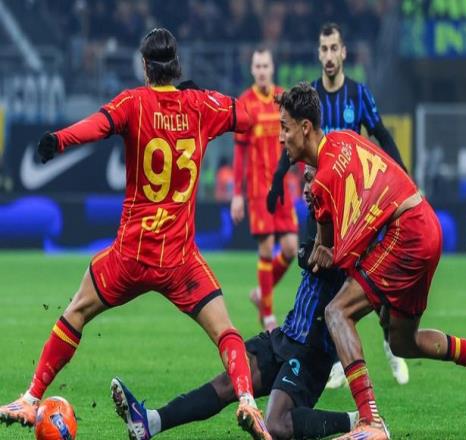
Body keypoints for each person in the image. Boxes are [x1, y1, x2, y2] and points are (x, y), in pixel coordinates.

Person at [0, 28, 271, 440]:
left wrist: (58, 140)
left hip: (131, 256)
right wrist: (222, 101)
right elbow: (249, 117)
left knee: (76, 312)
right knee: (226, 332)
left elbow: (96, 126)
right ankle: (248, 399)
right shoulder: (202, 105)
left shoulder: (134, 103)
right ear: (176, 65)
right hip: (180, 260)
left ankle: (31, 397)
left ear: (145, 67)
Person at [277, 82, 466, 439]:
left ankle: (370, 421)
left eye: (284, 127)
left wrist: (322, 240)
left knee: (338, 313)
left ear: (304, 128)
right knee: (402, 342)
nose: (280, 137)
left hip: (406, 233)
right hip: (424, 221)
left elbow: (338, 256)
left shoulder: (324, 179)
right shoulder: (342, 139)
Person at [110, 164, 359, 440]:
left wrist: (318, 255)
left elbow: (319, 261)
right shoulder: (318, 215)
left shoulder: (345, 221)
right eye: (305, 180)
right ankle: (151, 422)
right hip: (287, 335)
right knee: (229, 382)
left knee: (277, 425)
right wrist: (308, 253)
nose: (305, 189)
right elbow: (308, 256)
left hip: (313, 350)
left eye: (310, 180)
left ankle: (359, 421)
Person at [268, 22, 409, 389]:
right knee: (317, 270)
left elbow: (381, 134)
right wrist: (277, 180)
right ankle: (332, 355)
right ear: (319, 54)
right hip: (319, 201)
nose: (329, 55)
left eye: (334, 48)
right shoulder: (310, 97)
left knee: (368, 276)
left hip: (355, 208)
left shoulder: (358, 94)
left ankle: (389, 342)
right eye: (324, 49)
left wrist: (404, 177)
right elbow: (291, 142)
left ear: (344, 53)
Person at [231, 47, 298, 332]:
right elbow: (239, 154)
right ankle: (268, 316)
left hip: (282, 188)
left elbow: (295, 140)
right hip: (258, 189)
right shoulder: (245, 103)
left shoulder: (283, 99)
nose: (261, 71)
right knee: (267, 247)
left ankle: (261, 293)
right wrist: (237, 194)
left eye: (265, 66)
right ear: (252, 70)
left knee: (291, 248)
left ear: (272, 68)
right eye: (257, 66)